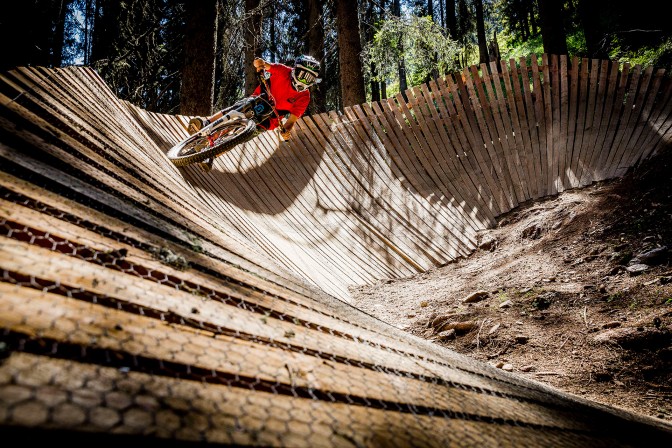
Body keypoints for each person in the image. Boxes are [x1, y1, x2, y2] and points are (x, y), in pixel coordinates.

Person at [187, 54, 321, 142]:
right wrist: (259, 63)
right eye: (302, 75)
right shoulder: (284, 70)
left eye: (309, 78)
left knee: (242, 137)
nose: (304, 80)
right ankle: (206, 123)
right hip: (260, 98)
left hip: (271, 120)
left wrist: (285, 130)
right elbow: (266, 65)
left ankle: (214, 151)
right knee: (237, 109)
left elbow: (291, 120)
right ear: (295, 70)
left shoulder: (304, 96)